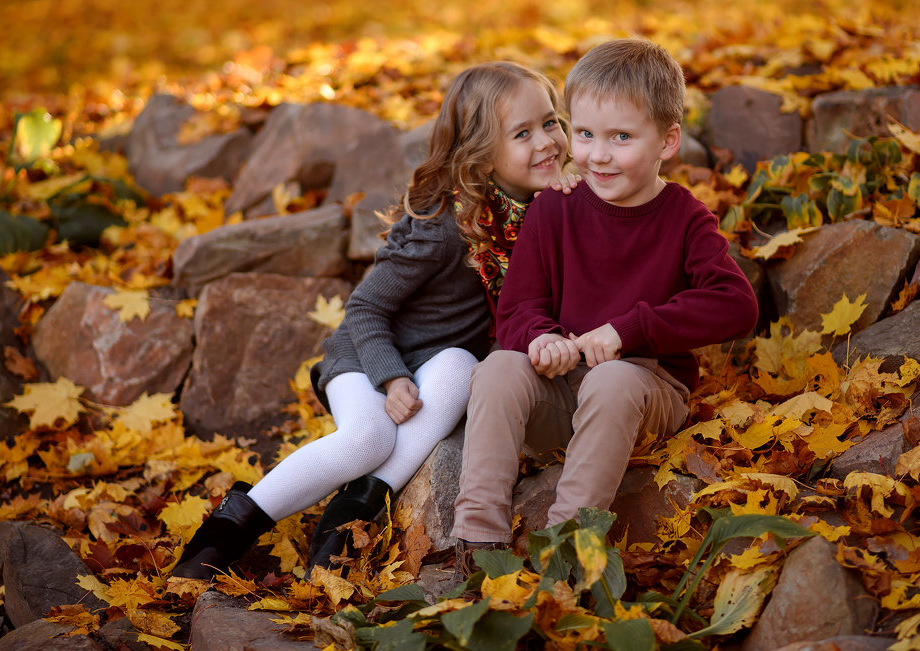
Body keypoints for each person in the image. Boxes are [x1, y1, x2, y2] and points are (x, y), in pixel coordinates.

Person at [173, 61, 573, 579]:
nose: (547, 141)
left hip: (436, 361)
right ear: (479, 154)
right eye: (523, 133)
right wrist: (390, 375)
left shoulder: (546, 210)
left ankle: (349, 517)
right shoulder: (443, 227)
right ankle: (227, 531)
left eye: (550, 122)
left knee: (459, 366)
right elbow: (365, 309)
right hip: (366, 355)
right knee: (369, 439)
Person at [451, 38, 759, 567]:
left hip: (644, 391)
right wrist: (541, 338)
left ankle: (566, 548)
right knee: (499, 366)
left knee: (613, 379)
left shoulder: (685, 218)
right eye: (586, 134)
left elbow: (737, 305)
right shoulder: (553, 210)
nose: (598, 154)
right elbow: (517, 311)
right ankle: (480, 541)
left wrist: (628, 331)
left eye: (621, 137)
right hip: (563, 390)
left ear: (667, 141)